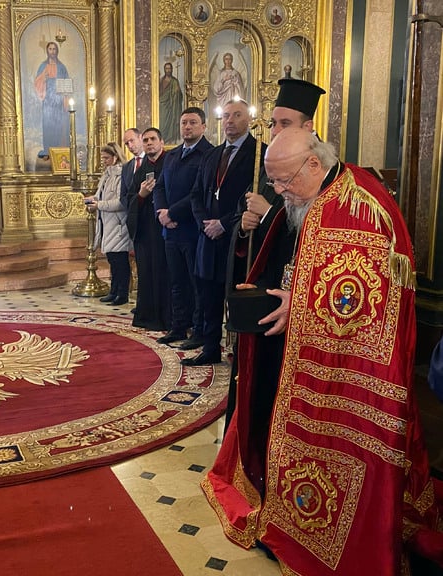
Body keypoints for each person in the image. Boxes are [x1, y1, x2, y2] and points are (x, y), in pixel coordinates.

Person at [203, 127, 443, 574]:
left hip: (349, 374)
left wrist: (303, 301)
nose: (279, 192)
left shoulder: (363, 206)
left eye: (283, 180)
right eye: (273, 182)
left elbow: (370, 295)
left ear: (314, 163)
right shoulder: (308, 198)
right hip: (300, 358)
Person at [223, 78, 325, 433]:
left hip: (297, 308)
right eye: (273, 123)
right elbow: (250, 217)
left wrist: (268, 214)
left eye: (285, 123)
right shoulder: (273, 159)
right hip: (267, 298)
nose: (276, 130)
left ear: (307, 127)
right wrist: (246, 223)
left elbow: (310, 237)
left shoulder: (319, 170)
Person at [186, 99, 262, 367]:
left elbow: (255, 198)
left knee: (237, 296)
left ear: (249, 119)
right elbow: (196, 193)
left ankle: (243, 353)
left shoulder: (258, 154)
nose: (229, 120)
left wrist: (224, 224)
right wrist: (205, 223)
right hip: (208, 237)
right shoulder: (212, 154)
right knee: (208, 295)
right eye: (226, 115)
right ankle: (209, 348)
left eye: (236, 115)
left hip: (238, 239)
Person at [154, 107, 213, 350]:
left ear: (203, 127)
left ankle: (198, 330)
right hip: (171, 231)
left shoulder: (209, 154)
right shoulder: (172, 155)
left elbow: (197, 193)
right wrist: (161, 213)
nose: (187, 127)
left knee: (196, 283)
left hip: (192, 231)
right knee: (176, 281)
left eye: (192, 122)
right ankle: (178, 325)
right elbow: (159, 187)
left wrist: (172, 213)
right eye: (183, 122)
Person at [121, 128, 170, 332]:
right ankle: (147, 317)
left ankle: (167, 320)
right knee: (147, 273)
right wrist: (141, 195)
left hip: (166, 229)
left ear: (161, 141)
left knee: (165, 275)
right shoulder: (141, 168)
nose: (149, 143)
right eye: (146, 140)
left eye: (153, 139)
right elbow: (131, 197)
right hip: (145, 230)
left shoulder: (170, 162)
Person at [85, 142, 132, 306]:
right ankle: (114, 291)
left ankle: (122, 293)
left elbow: (120, 202)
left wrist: (99, 205)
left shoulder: (121, 175)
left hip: (118, 224)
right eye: (102, 157)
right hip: (107, 223)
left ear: (115, 157)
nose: (103, 161)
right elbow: (101, 195)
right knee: (112, 260)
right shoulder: (107, 174)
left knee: (120, 261)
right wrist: (93, 199)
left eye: (106, 158)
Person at [34, 41, 71, 157]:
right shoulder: (42, 66)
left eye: (54, 49)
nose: (52, 51)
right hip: (48, 100)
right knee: (48, 124)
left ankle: (58, 150)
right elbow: (37, 82)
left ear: (57, 51)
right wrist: (43, 78)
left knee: (59, 125)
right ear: (47, 51)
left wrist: (65, 100)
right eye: (50, 49)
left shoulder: (62, 67)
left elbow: (66, 83)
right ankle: (48, 151)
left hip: (59, 100)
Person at [159, 62, 183, 144]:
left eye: (169, 68)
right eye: (166, 68)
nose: (168, 70)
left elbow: (179, 96)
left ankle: (170, 141)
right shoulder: (161, 80)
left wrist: (177, 93)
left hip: (172, 107)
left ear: (172, 70)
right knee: (162, 124)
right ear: (164, 70)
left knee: (171, 123)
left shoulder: (175, 81)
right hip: (163, 107)